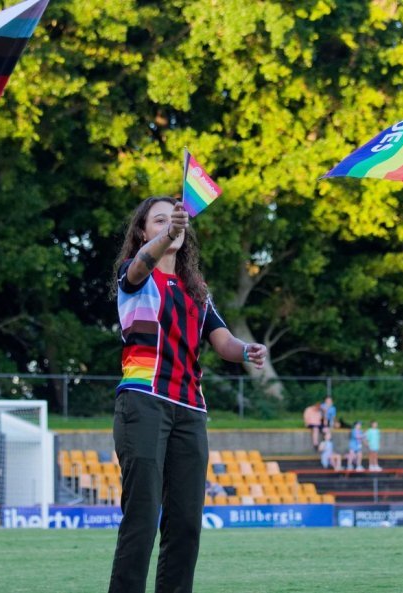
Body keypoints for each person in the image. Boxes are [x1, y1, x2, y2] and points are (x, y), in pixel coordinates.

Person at [107, 196, 267, 593]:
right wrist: (166, 235)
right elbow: (144, 260)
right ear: (143, 232)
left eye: (173, 220)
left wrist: (246, 349)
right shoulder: (134, 274)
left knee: (186, 523)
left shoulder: (197, 291)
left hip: (190, 409)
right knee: (142, 518)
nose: (167, 226)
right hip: (142, 402)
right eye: (158, 221)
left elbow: (223, 341)